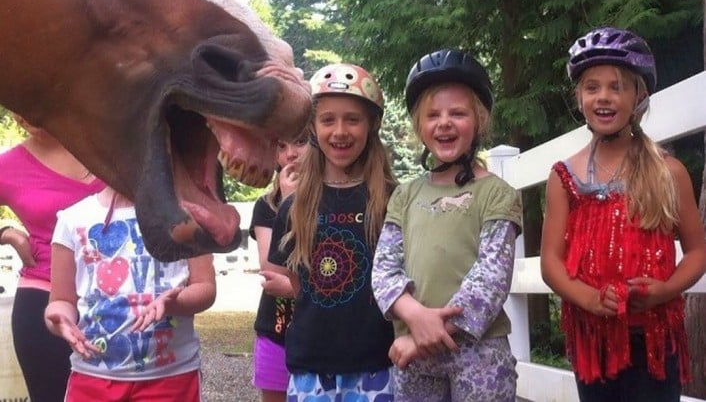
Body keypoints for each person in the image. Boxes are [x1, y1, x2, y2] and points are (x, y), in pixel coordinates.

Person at [540, 26, 706, 402]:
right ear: (578, 97)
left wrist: (665, 289)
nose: (604, 97)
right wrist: (588, 298)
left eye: (617, 87)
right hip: (594, 342)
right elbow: (551, 262)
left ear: (638, 96)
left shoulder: (668, 171)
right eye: (592, 87)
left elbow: (697, 251)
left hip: (655, 340)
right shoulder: (565, 177)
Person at [371, 48, 523, 402]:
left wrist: (428, 333)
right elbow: (383, 271)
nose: (444, 122)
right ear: (419, 126)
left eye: (458, 113)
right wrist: (414, 316)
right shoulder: (405, 196)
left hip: (479, 353)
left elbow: (490, 281)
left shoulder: (497, 194)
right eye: (432, 114)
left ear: (479, 120)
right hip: (413, 352)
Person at [268, 63, 397, 402]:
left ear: (372, 125)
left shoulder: (392, 200)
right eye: (328, 120)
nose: (340, 131)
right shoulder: (293, 208)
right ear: (312, 126)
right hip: (312, 368)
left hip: (378, 363)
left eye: (352, 119)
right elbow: (297, 283)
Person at [43, 184, 216, 401]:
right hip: (92, 378)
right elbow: (61, 299)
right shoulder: (72, 219)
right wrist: (61, 320)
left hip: (170, 377)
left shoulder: (187, 213)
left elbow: (205, 287)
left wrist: (174, 302)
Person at [0, 115, 105, 402]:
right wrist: (7, 233)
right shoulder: (8, 166)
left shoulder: (110, 141)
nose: (22, 113)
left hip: (119, 300)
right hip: (43, 299)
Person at [250, 133, 310, 402]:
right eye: (281, 145)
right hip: (276, 333)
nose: (290, 154)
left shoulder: (337, 199)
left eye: (300, 142)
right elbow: (271, 268)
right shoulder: (266, 206)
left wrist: (295, 287)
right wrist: (288, 203)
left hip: (323, 335)